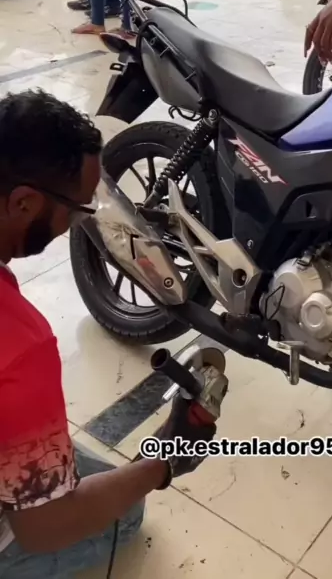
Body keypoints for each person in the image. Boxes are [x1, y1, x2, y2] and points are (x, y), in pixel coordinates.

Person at [0, 90, 219, 577]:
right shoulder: (19, 344)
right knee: (121, 514)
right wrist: (165, 462)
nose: (77, 224)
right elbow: (44, 528)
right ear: (23, 202)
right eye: (77, 209)